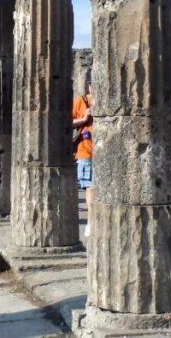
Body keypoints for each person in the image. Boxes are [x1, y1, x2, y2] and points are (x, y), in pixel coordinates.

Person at [72, 75, 94, 237]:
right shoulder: (80, 101)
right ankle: (91, 222)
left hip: (105, 152)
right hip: (86, 150)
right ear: (89, 85)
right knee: (90, 188)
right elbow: (68, 122)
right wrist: (84, 118)